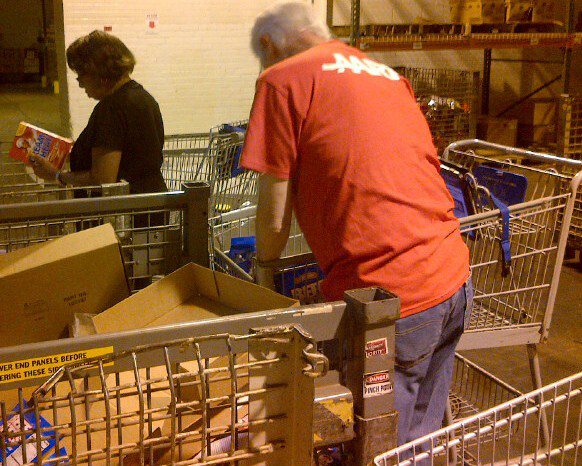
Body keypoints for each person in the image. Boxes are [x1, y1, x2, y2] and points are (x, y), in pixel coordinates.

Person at [240, 2, 473, 447]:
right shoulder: (385, 75)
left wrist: (264, 275)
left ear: (269, 45)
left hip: (392, 298)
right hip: (451, 276)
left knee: (377, 447)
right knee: (418, 438)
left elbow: (273, 207)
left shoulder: (282, 79)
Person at [29, 30, 167, 196]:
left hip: (123, 215)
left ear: (100, 74)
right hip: (151, 205)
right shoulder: (144, 98)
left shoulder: (111, 108)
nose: (79, 83)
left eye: (81, 75)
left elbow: (103, 179)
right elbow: (130, 153)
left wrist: (56, 175)